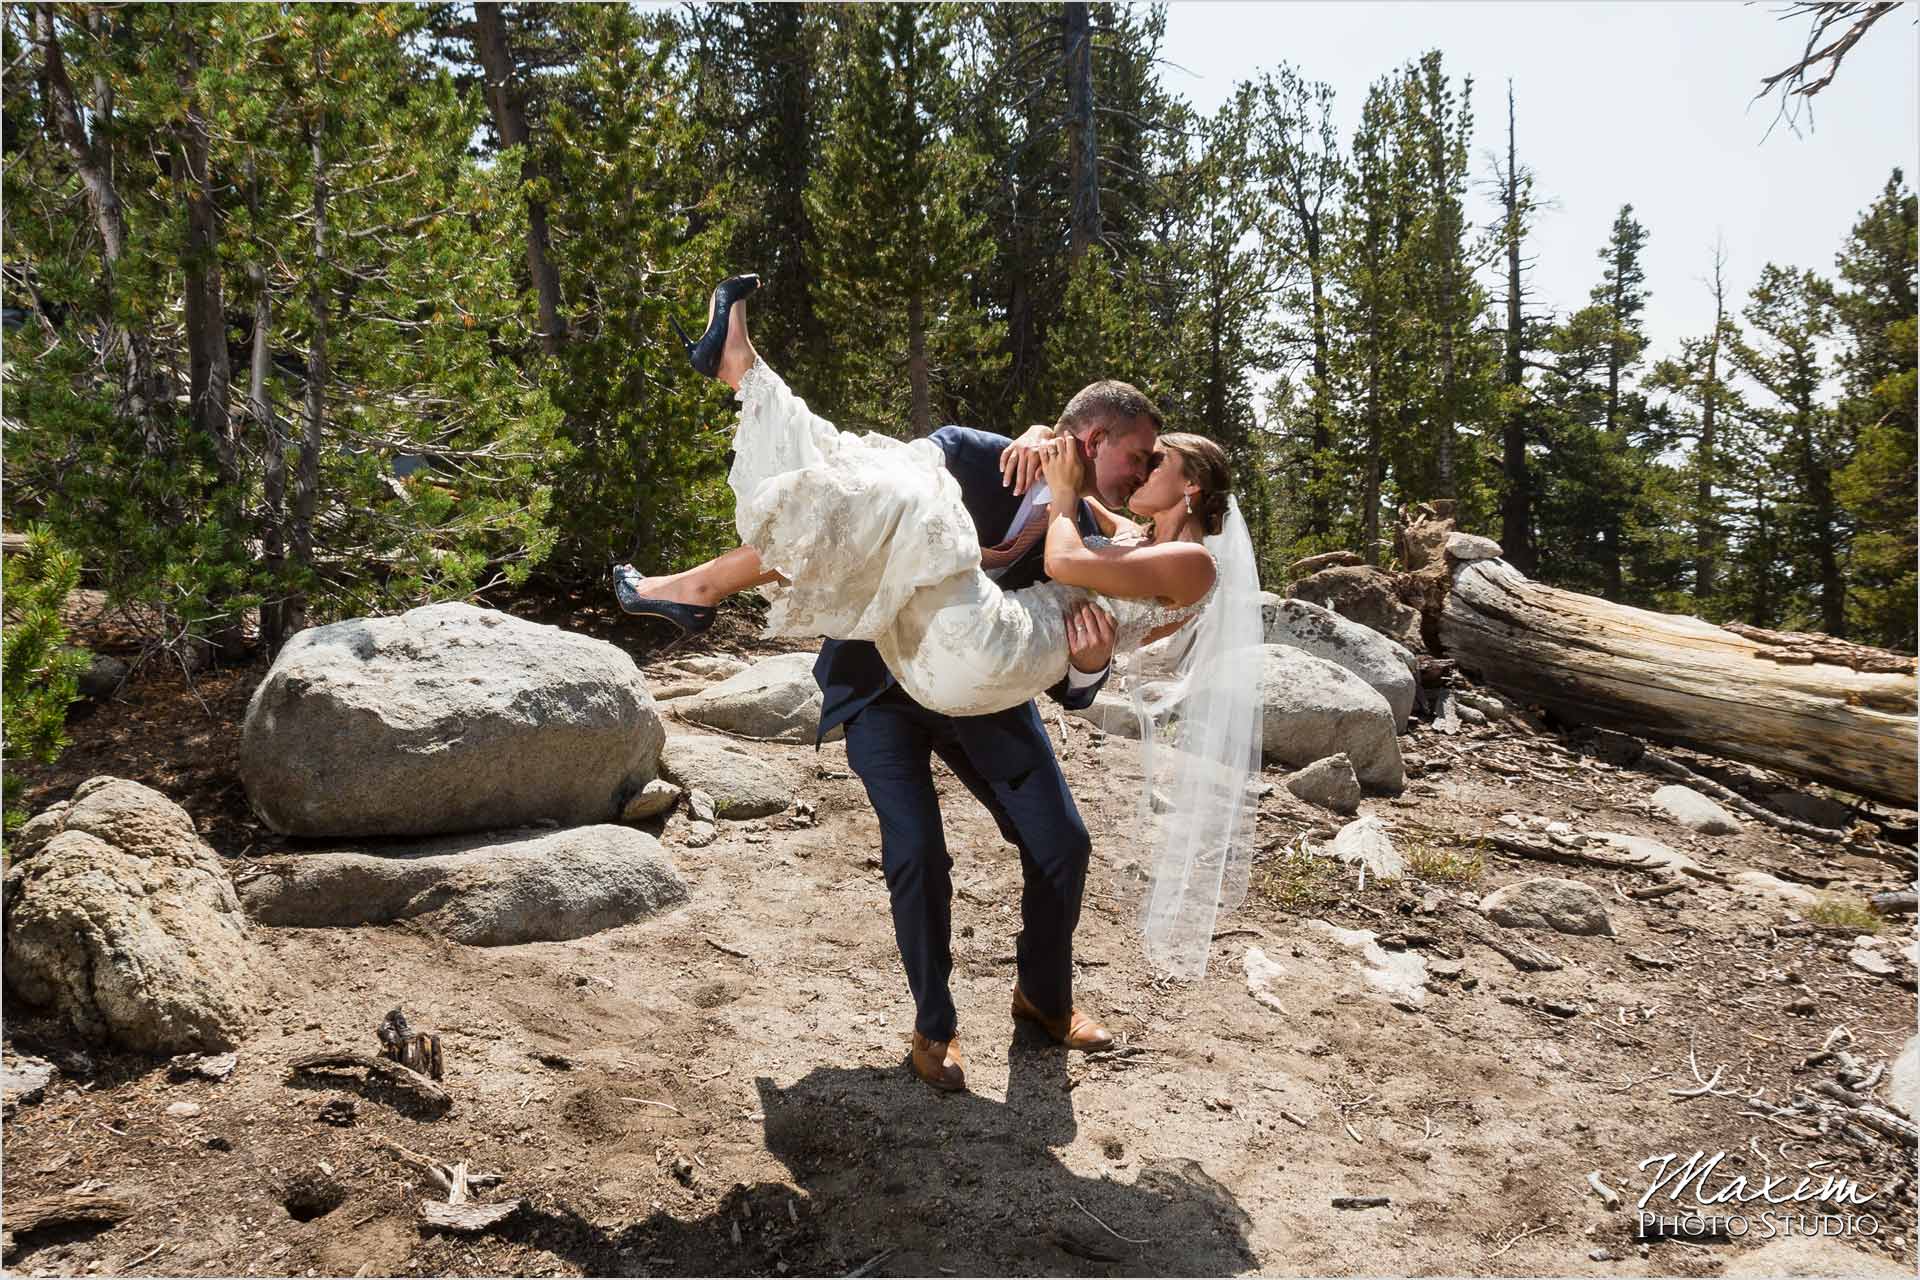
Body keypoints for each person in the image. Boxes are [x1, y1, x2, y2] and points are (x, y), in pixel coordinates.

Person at [622, 275, 1263, 1088]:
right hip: (885, 684)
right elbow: (872, 522)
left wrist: (1092, 668)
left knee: (1063, 843)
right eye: (1138, 457)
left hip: (983, 695)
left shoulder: (1105, 523)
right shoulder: (977, 454)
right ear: (1090, 438)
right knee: (917, 850)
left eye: (1155, 466)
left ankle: (1044, 999)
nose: (1140, 477)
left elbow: (1078, 641)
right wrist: (1035, 461)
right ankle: (934, 1028)